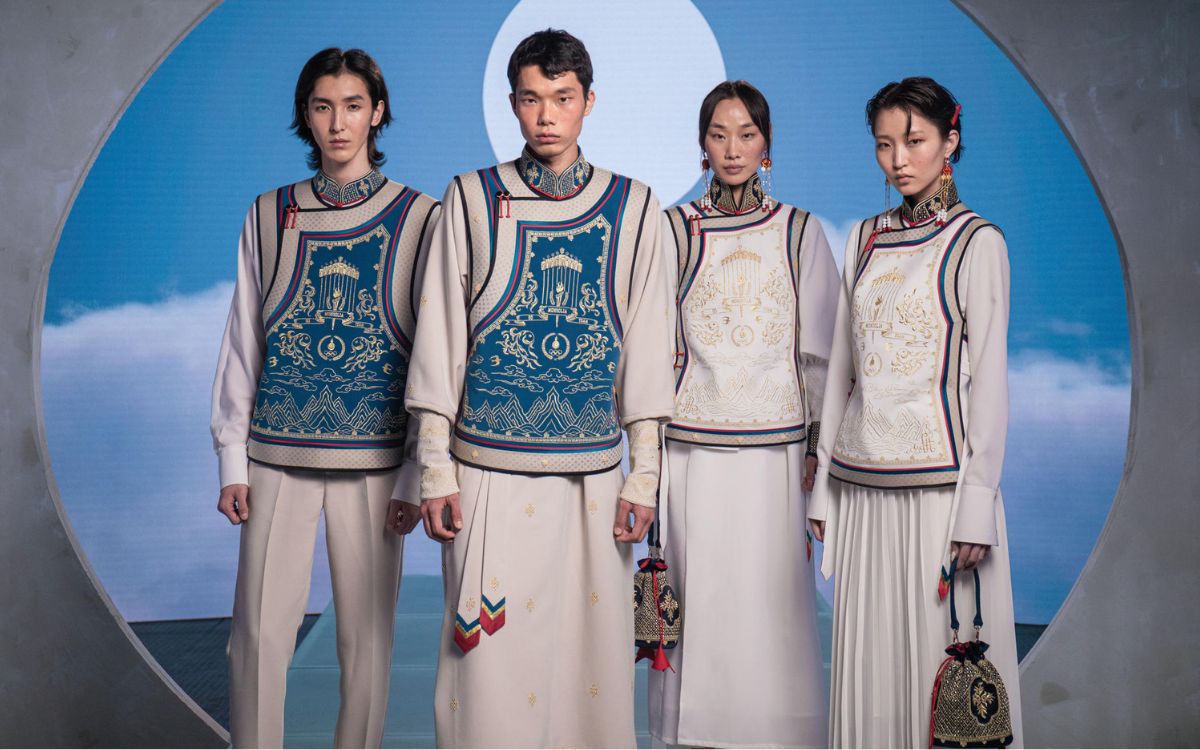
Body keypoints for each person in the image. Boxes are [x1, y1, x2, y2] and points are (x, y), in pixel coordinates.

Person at [404, 28, 675, 748]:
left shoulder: (635, 207)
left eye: (562, 98)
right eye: (531, 99)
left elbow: (648, 350)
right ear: (512, 104)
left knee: (589, 673)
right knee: (484, 670)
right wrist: (434, 469)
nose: (547, 115)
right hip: (484, 474)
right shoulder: (469, 197)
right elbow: (439, 341)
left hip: (594, 479)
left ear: (590, 101)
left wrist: (645, 474)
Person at [210, 47, 440, 748]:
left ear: (377, 113)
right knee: (256, 638)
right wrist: (232, 458)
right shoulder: (268, 213)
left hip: (377, 461)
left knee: (367, 645)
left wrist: (416, 472)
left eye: (352, 106)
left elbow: (431, 358)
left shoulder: (420, 218)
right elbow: (244, 341)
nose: (338, 123)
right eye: (322, 107)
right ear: (305, 117)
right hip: (276, 454)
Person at [807, 76, 1023, 747]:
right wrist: (822, 487)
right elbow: (842, 373)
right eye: (884, 145)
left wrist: (977, 503)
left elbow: (990, 384)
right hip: (863, 490)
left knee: (939, 668)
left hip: (941, 496)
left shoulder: (977, 243)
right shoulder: (863, 239)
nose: (898, 160)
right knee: (871, 673)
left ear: (950, 141)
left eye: (914, 141)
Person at [648, 80, 838, 748]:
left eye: (747, 134)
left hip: (776, 458)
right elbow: (650, 345)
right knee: (698, 603)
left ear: (767, 144)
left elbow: (822, 357)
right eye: (719, 134)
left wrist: (817, 449)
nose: (733, 149)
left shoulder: (800, 232)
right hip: (691, 451)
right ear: (702, 144)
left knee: (771, 609)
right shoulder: (672, 230)